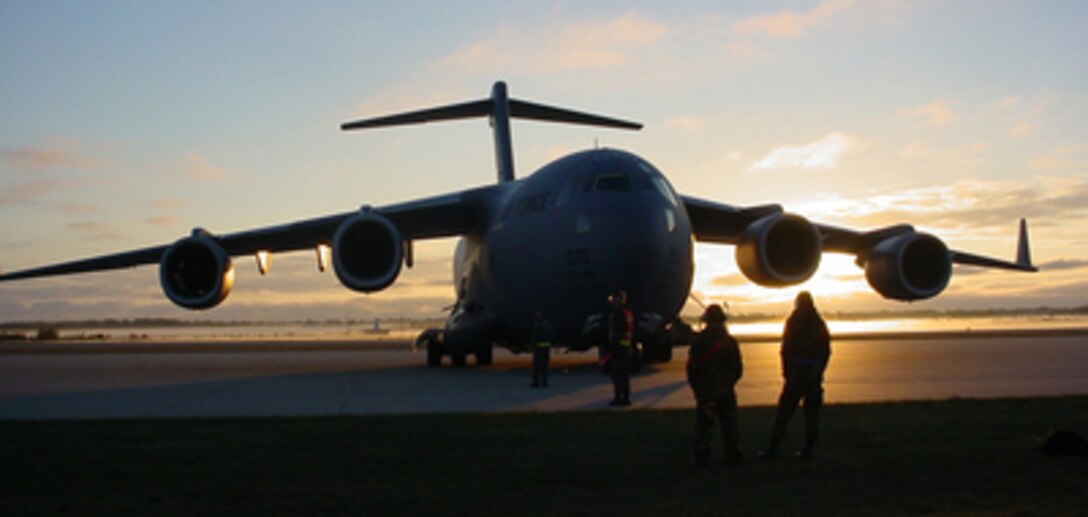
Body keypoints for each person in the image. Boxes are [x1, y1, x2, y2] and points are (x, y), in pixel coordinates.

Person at [761, 291, 831, 460]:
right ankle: (808, 451)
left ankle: (773, 449)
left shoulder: (794, 322)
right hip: (813, 376)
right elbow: (826, 351)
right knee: (812, 416)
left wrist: (787, 371)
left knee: (784, 414)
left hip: (796, 376)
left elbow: (786, 349)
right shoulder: (819, 323)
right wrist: (819, 371)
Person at [687, 304, 743, 467]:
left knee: (704, 426)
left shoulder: (699, 341)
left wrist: (697, 388)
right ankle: (733, 454)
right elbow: (738, 369)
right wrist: (727, 384)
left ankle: (702, 457)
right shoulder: (730, 342)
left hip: (706, 391)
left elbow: (692, 368)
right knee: (729, 424)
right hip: (726, 391)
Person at [607, 290, 634, 407]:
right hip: (626, 348)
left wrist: (614, 347)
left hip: (618, 349)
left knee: (617, 374)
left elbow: (617, 332)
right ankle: (625, 397)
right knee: (624, 375)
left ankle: (619, 397)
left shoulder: (618, 315)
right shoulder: (628, 314)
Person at [529, 309, 553, 388]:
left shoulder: (538, 324)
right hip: (546, 346)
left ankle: (536, 382)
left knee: (537, 366)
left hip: (539, 347)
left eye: (537, 313)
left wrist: (533, 344)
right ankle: (545, 382)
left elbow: (535, 336)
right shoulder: (548, 324)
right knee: (544, 366)